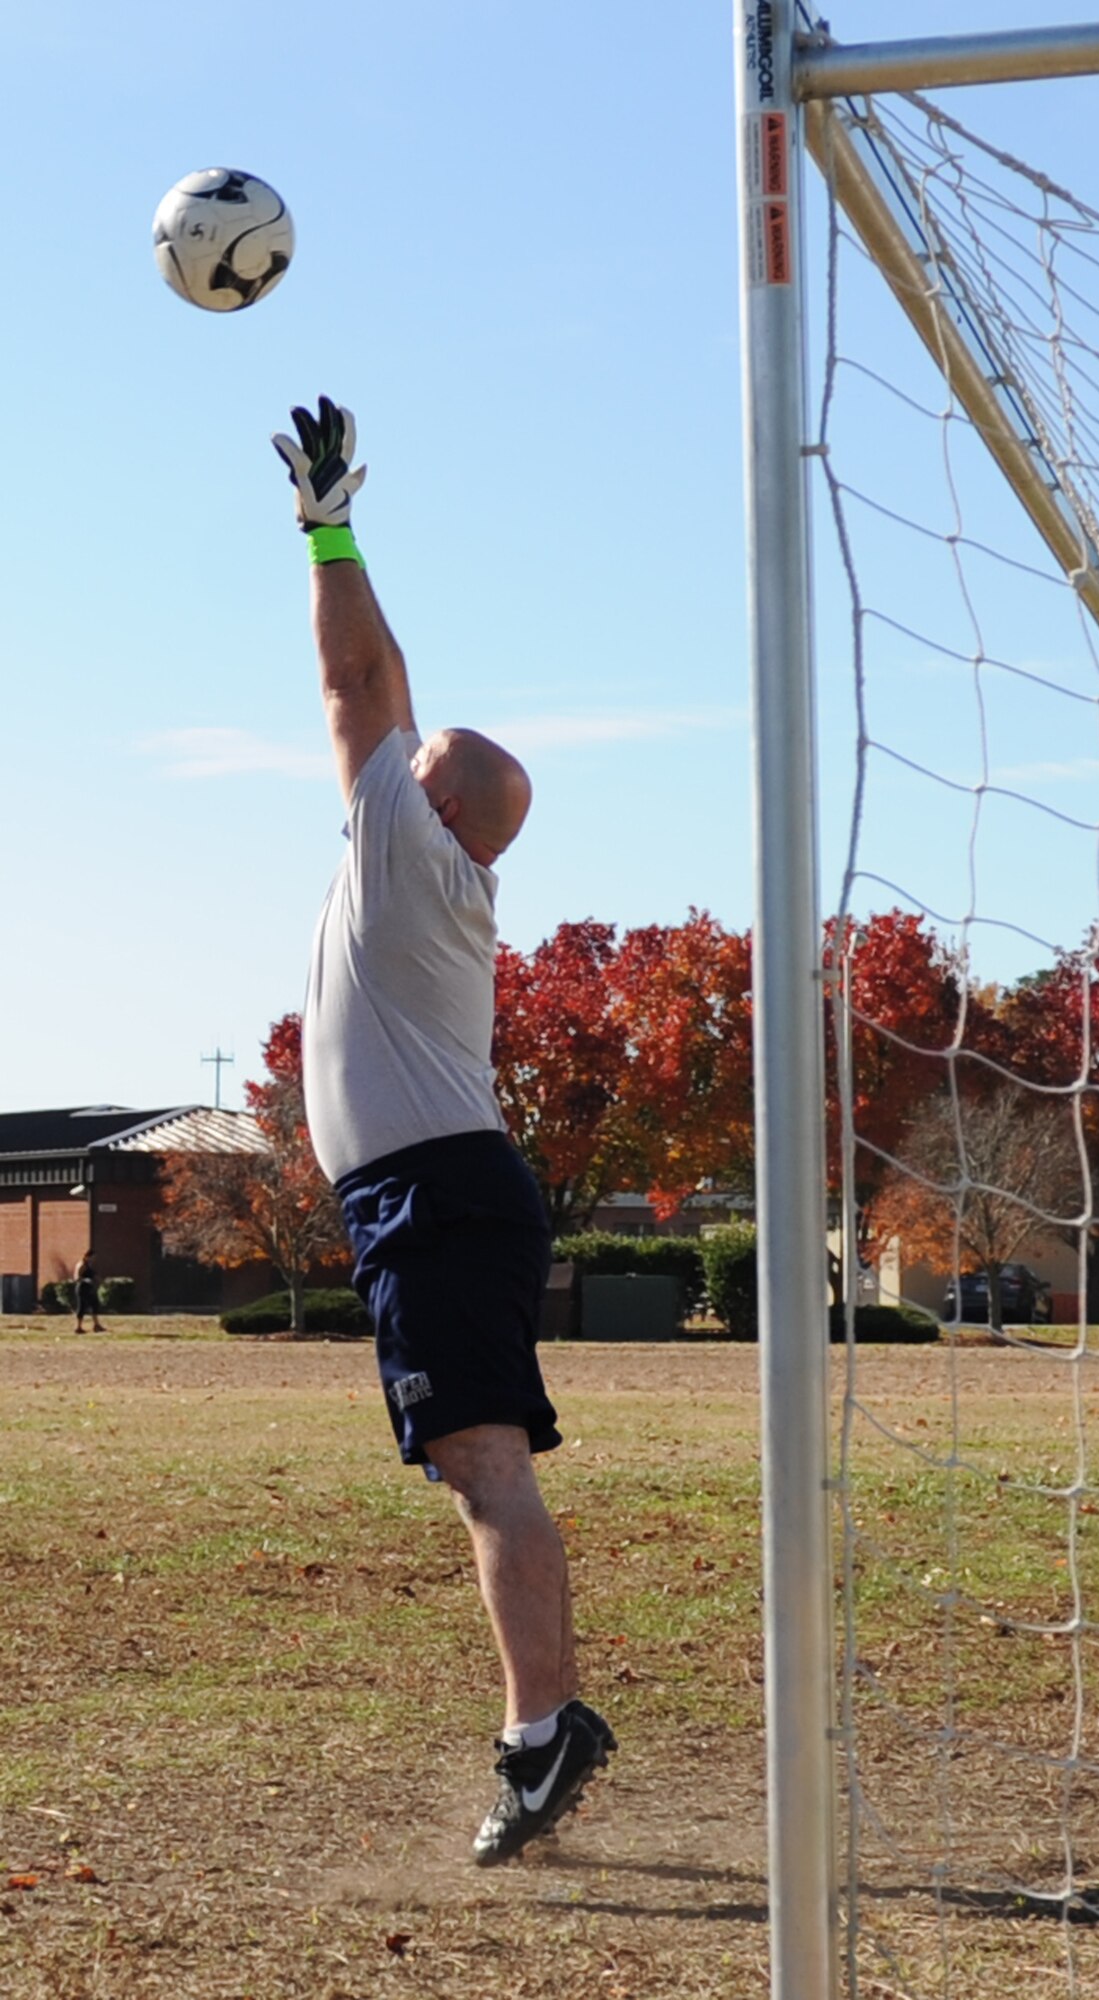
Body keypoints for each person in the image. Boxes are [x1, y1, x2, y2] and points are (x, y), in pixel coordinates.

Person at [272, 397, 614, 1867]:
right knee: (481, 1462)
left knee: (484, 1466)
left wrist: (329, 524)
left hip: (435, 1196)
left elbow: (359, 677)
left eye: (412, 764)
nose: (385, 763)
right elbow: (388, 699)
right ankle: (547, 1726)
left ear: (434, 802)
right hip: (438, 1194)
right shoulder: (443, 865)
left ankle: (547, 1734)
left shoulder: (402, 846)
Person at [73, 1253, 104, 1334]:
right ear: (86, 1256)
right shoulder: (81, 1265)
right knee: (82, 1306)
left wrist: (100, 1281)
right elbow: (76, 1278)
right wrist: (85, 1280)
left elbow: (94, 1275)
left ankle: (96, 1325)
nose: (92, 1260)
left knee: (94, 1304)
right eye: (91, 1258)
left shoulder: (88, 1265)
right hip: (82, 1288)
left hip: (89, 1288)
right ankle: (78, 1327)